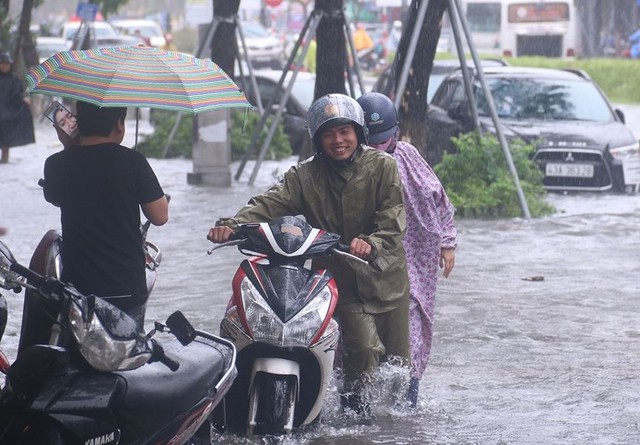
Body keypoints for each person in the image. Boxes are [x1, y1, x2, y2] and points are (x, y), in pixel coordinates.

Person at [208, 93, 410, 414]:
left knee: (400, 365)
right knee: (364, 350)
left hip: (386, 276)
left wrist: (371, 241)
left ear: (359, 132)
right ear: (317, 140)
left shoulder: (383, 167)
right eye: (328, 133)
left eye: (345, 131)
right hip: (340, 279)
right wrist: (233, 225)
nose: (338, 140)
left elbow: (394, 215)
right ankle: (354, 418)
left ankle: (404, 422)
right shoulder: (304, 175)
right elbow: (268, 203)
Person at [357, 92, 457, 408]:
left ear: (395, 134)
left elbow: (438, 198)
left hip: (416, 260)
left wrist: (448, 242)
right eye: (371, 141)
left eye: (383, 140)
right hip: (369, 262)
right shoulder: (349, 164)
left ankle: (406, 405)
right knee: (362, 335)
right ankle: (358, 405)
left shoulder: (408, 156)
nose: (378, 147)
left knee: (412, 331)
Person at [43, 101, 169, 327]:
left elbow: (55, 198)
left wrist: (69, 148)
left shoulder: (56, 165)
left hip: (79, 289)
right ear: (120, 126)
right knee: (127, 353)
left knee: (79, 357)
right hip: (126, 287)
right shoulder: (133, 161)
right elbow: (160, 216)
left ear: (77, 122)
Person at [0, 51, 35, 164]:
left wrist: (23, 100)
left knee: (5, 134)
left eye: (7, 64)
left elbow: (16, 96)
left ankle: (4, 158)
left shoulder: (14, 79)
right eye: (2, 63)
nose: (5, 66)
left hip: (8, 112)